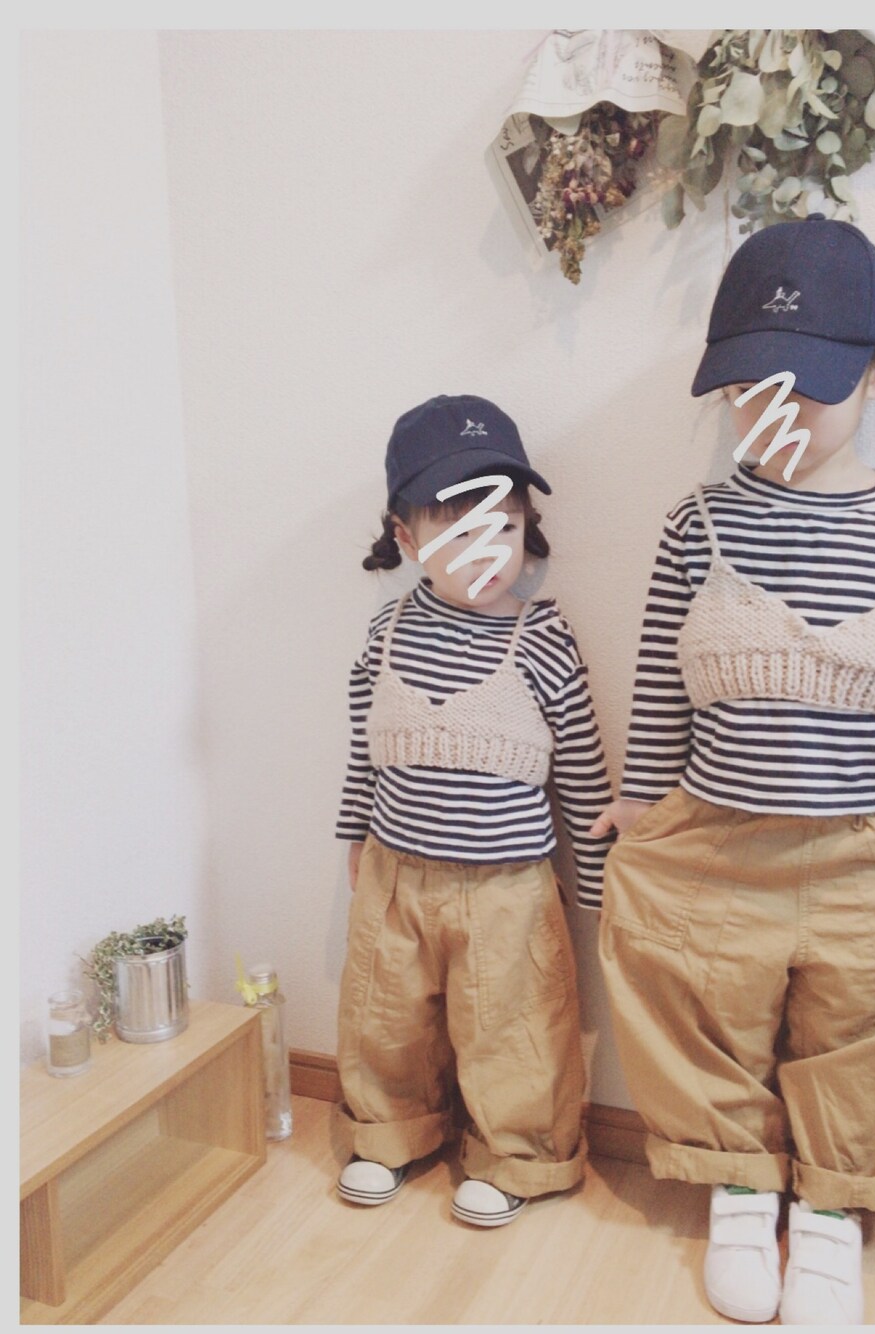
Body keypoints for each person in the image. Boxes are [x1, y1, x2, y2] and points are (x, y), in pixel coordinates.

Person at [591, 217, 875, 1324]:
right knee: (696, 1004)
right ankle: (735, 1183)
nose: (771, 413)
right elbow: (662, 681)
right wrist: (642, 799)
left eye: (802, 387)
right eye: (745, 388)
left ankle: (831, 1208)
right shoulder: (699, 523)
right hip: (719, 843)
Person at [334, 392, 614, 1227]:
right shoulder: (386, 634)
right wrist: (354, 835)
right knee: (385, 1018)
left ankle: (518, 1154)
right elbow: (363, 749)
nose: (486, 552)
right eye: (457, 534)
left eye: (503, 527)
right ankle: (388, 1130)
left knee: (514, 1027)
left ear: (528, 526)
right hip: (396, 874)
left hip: (508, 890)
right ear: (406, 538)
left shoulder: (543, 639)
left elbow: (584, 774)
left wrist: (599, 882)